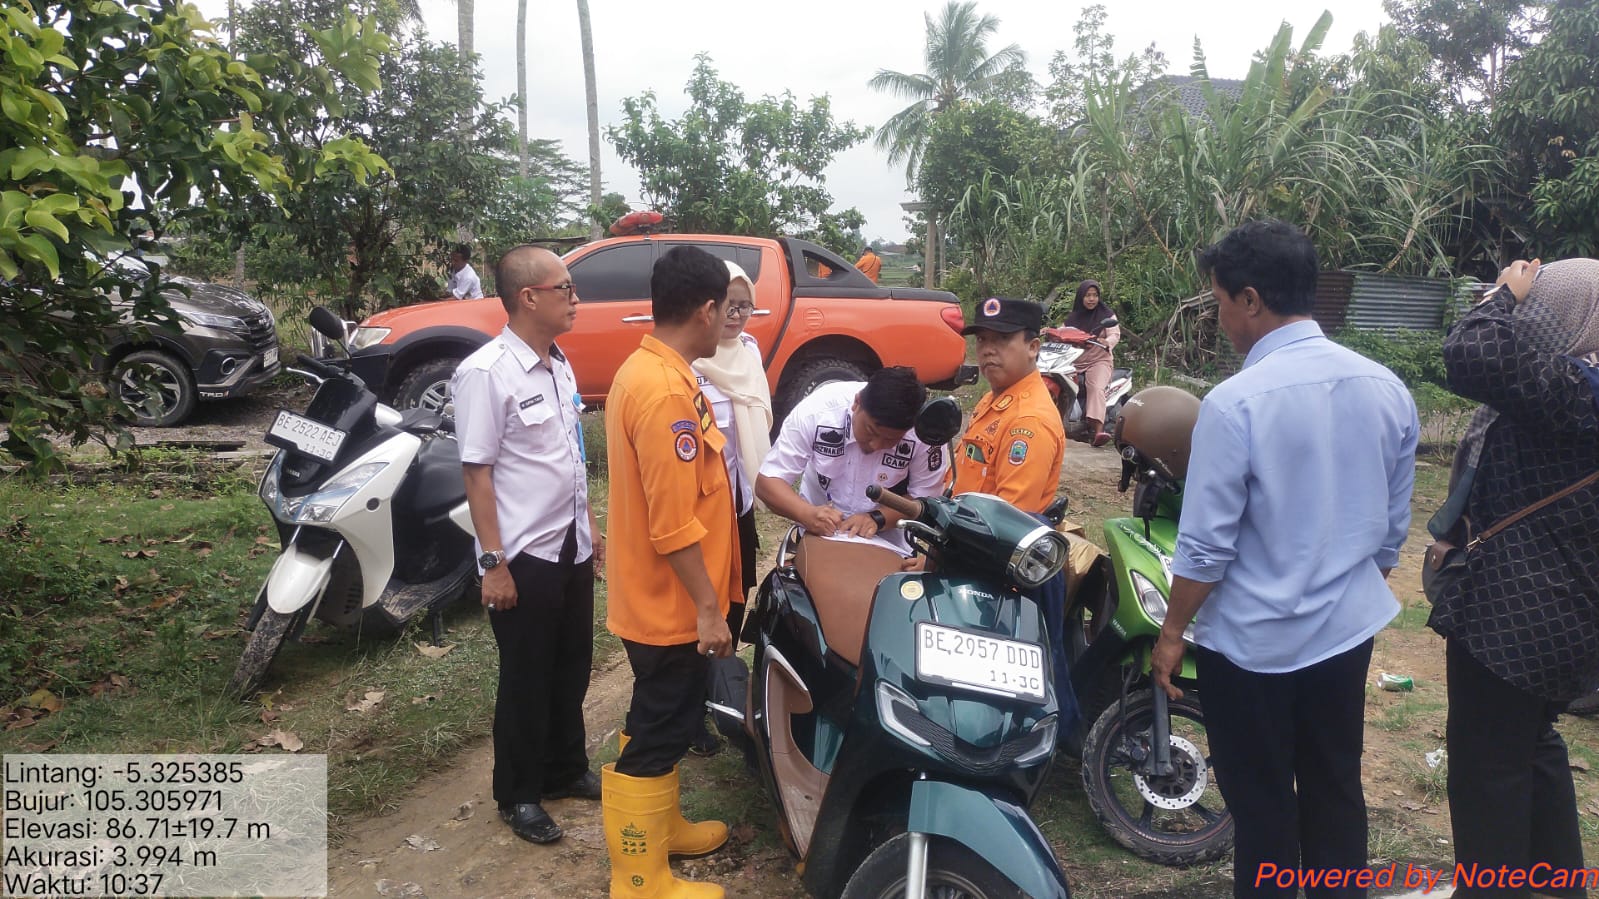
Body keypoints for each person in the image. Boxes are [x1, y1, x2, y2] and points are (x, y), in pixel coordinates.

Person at [1150, 220, 1418, 899]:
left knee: (1263, 806)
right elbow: (1391, 530)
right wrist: (1339, 592)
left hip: (1252, 646)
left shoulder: (1234, 403)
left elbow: (1205, 546)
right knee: (1335, 787)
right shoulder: (1386, 387)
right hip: (1344, 633)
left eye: (1219, 301)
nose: (1219, 318)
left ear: (1249, 299)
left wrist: (1172, 631)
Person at [1427, 257, 1599, 897]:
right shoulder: (1576, 391)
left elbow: (1470, 353)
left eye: (1540, 310)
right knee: (1532, 747)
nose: (1528, 323)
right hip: (1563, 613)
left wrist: (1502, 294)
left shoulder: (1578, 392)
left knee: (1487, 771)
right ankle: (1559, 888)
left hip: (1516, 618)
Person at [451, 245, 602, 844]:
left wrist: (590, 524)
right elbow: (477, 473)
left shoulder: (559, 364)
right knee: (526, 675)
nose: (575, 298)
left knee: (573, 663)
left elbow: (570, 454)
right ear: (528, 298)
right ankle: (518, 793)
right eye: (565, 288)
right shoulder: (487, 373)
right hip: (523, 554)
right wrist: (493, 564)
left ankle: (564, 768)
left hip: (571, 543)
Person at [602, 245, 737, 899]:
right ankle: (638, 877)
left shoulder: (658, 372)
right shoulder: (662, 393)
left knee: (663, 717)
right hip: (671, 604)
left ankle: (663, 830)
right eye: (727, 309)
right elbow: (673, 525)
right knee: (659, 731)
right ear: (706, 310)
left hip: (660, 597)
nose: (730, 320)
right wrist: (709, 609)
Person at [949, 297, 1069, 700]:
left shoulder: (1028, 421)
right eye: (982, 339)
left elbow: (1008, 523)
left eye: (1001, 340)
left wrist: (937, 559)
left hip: (997, 570)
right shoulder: (997, 399)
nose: (987, 350)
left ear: (1033, 347)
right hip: (969, 546)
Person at [687, 260, 772, 755]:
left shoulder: (749, 352)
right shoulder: (691, 362)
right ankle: (690, 711)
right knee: (700, 605)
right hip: (700, 510)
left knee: (737, 598)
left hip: (739, 502)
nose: (736, 316)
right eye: (728, 305)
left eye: (745, 306)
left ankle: (718, 692)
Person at [757, 366, 949, 556]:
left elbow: (926, 500)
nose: (876, 445)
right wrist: (806, 514)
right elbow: (768, 482)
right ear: (857, 403)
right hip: (819, 535)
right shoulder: (817, 412)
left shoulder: (925, 434)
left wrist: (878, 518)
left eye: (891, 440)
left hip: (890, 544)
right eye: (871, 431)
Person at [1059, 279, 1120, 446]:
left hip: (1099, 360)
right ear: (1081, 297)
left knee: (1096, 387)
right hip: (1075, 362)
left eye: (1094, 295)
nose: (1091, 299)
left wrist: (1107, 341)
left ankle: (1098, 431)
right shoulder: (1073, 317)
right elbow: (1062, 331)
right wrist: (1049, 332)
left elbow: (1114, 334)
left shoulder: (1106, 315)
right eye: (1087, 295)